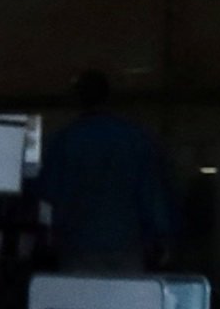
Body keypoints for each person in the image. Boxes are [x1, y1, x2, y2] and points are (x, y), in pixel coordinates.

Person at [35, 66, 178, 274]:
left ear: (78, 99)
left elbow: (48, 194)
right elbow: (152, 192)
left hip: (78, 242)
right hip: (127, 242)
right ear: (108, 97)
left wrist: (47, 236)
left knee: (80, 302)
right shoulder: (135, 138)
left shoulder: (64, 140)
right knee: (126, 303)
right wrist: (163, 236)